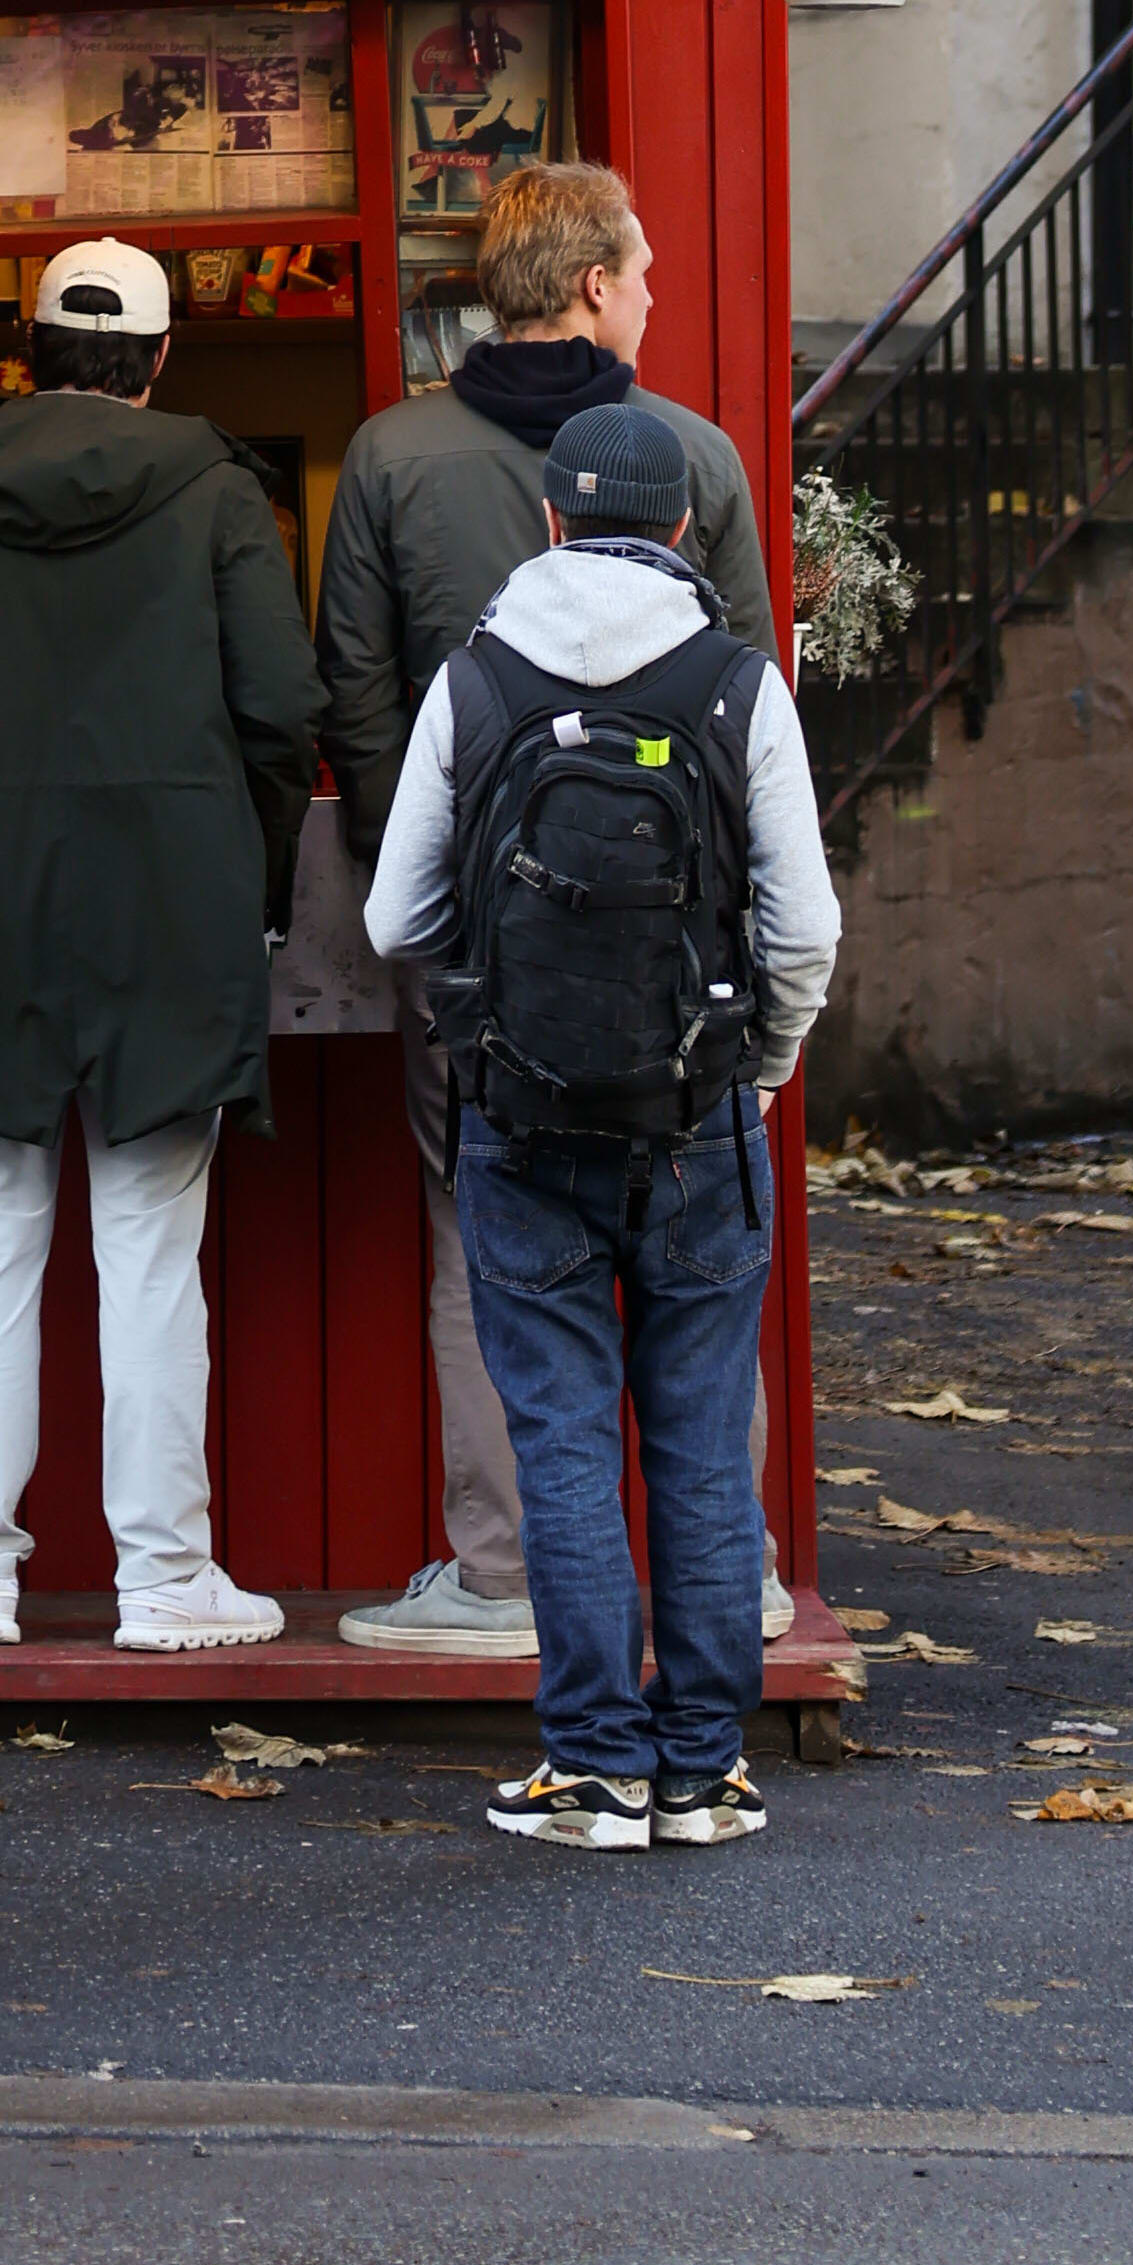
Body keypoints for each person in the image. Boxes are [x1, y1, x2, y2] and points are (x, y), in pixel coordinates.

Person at [0, 236, 322, 1653]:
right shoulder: (217, 488)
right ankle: (163, 1578)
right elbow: (282, 707)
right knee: (153, 1256)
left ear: (29, 351)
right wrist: (253, 872)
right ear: (161, 356)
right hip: (169, 904)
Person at [316, 159, 771, 1659]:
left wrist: (424, 887)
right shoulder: (696, 455)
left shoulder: (389, 455)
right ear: (592, 285)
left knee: (481, 1234)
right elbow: (756, 703)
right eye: (640, 273)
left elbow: (357, 695)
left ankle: (504, 1574)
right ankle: (739, 1576)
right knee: (700, 1233)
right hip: (684, 949)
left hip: (474, 948)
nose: (650, 297)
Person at [365, 400, 836, 1847]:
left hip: (521, 1122)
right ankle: (705, 1769)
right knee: (700, 1444)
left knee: (564, 1446)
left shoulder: (476, 679)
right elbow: (805, 931)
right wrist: (758, 1072)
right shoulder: (738, 683)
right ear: (684, 527)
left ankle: (596, 1768)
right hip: (700, 1125)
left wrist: (491, 1010)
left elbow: (395, 919)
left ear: (552, 519)